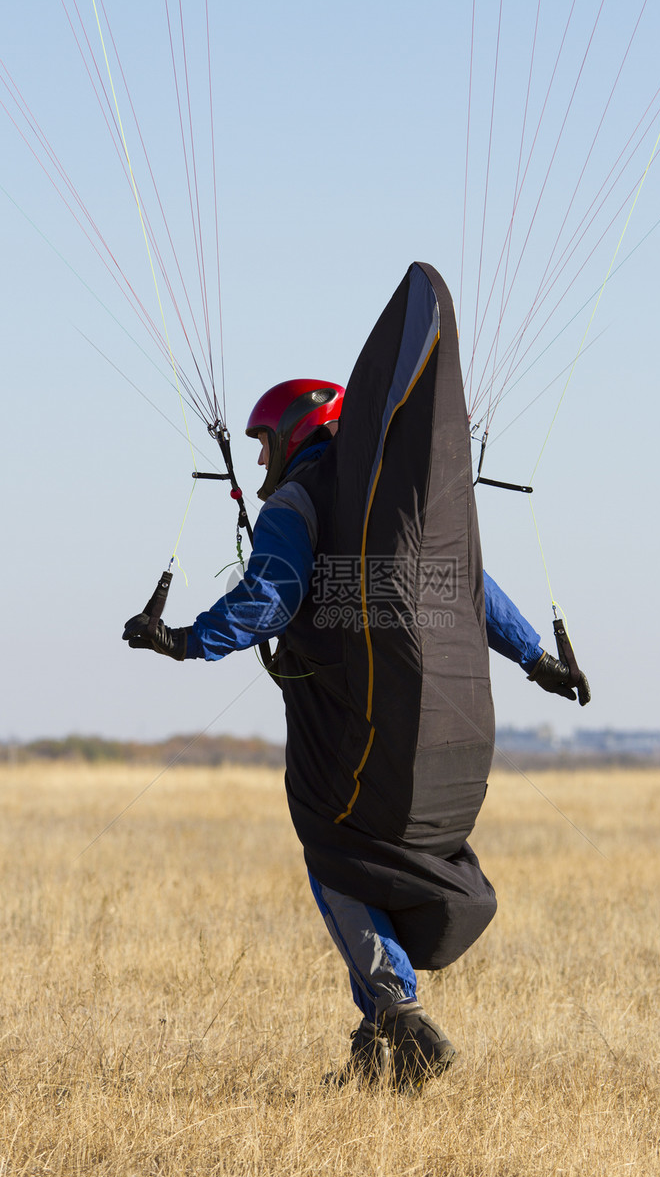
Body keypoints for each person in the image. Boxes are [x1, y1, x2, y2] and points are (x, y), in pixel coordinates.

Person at [124, 269, 589, 1089]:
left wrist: (185, 641)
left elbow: (271, 598)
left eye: (263, 442)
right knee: (357, 853)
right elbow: (465, 584)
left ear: (293, 433)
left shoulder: (297, 502)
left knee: (333, 849)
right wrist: (537, 659)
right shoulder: (389, 505)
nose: (260, 459)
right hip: (443, 736)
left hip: (355, 732)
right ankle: (378, 1045)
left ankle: (397, 1014)